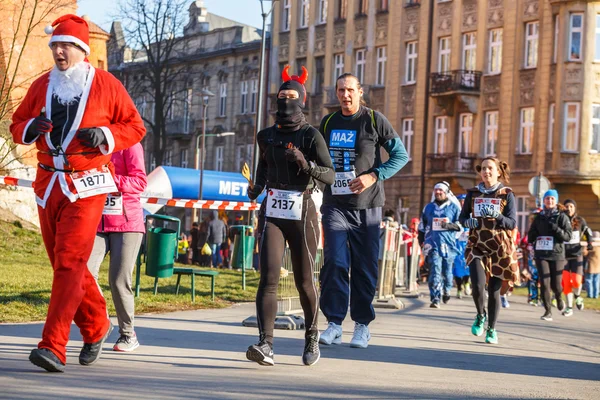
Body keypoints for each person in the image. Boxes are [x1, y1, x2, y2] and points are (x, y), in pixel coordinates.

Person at [10, 14, 145, 372]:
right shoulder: (42, 85)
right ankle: (96, 325)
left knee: (71, 260)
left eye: (66, 46)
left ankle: (53, 345)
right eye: (55, 45)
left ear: (83, 51)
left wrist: (107, 136)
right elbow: (16, 122)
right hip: (48, 182)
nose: (59, 52)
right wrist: (29, 128)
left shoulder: (106, 84)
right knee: (61, 262)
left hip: (88, 183)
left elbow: (135, 126)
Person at [245, 66, 334, 366]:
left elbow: (331, 175)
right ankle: (265, 344)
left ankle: (311, 335)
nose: (285, 101)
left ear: (302, 101)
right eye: (281, 96)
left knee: (304, 280)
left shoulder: (312, 135)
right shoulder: (266, 135)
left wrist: (305, 164)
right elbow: (263, 167)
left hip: (303, 209)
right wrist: (256, 188)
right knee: (268, 277)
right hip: (273, 208)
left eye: (291, 97)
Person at [318, 73, 408, 349]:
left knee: (364, 267)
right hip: (335, 204)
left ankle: (361, 325)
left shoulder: (373, 120)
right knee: (334, 262)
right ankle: (334, 323)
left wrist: (373, 175)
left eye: (350, 90)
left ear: (360, 92)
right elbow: (318, 160)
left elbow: (400, 156)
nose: (345, 95)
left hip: (367, 207)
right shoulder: (329, 122)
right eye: (340, 90)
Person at [87, 143, 147, 352]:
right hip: (97, 221)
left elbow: (140, 182)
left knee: (119, 280)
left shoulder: (130, 145)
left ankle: (128, 334)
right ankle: (101, 322)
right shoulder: (92, 144)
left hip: (127, 223)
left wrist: (111, 181)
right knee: (84, 273)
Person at [459, 158, 519, 344]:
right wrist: (467, 222)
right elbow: (462, 218)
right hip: (477, 243)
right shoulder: (473, 193)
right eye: (483, 168)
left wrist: (498, 216)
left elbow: (512, 223)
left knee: (493, 291)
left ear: (498, 172)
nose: (486, 171)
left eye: (490, 168)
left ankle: (492, 329)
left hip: (499, 247)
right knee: (477, 286)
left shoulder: (506, 194)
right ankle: (480, 315)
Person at [527, 189, 572, 321]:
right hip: (541, 254)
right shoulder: (539, 217)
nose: (549, 201)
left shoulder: (561, 217)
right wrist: (533, 236)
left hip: (557, 254)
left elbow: (568, 236)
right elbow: (531, 235)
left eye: (552, 199)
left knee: (556, 284)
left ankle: (558, 297)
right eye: (547, 199)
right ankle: (547, 311)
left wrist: (556, 228)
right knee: (545, 283)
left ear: (556, 201)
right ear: (544, 201)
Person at [418, 182, 461, 308]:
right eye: (436, 190)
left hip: (449, 245)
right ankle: (435, 298)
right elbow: (422, 226)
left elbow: (461, 226)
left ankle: (447, 290)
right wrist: (421, 241)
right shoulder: (428, 208)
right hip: (433, 244)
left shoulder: (454, 207)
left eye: (440, 190)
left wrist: (448, 225)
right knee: (435, 271)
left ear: (446, 192)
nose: (438, 192)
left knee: (447, 272)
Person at [561, 199, 592, 316]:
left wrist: (589, 243)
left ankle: (578, 296)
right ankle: (569, 307)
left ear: (575, 208)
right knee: (566, 283)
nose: (569, 208)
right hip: (563, 255)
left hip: (576, 254)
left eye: (571, 206)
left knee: (576, 281)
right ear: (564, 208)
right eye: (567, 206)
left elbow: (588, 232)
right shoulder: (560, 220)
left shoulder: (580, 220)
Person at [453, 194, 471, 299]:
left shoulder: (471, 213)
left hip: (467, 244)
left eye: (464, 201)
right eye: (460, 201)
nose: (462, 203)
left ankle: (467, 283)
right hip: (457, 244)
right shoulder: (455, 212)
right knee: (457, 267)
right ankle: (459, 287)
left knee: (467, 265)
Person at [585, 231, 600, 298]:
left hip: (590, 266)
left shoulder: (591, 245)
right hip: (598, 267)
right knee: (596, 281)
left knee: (589, 280)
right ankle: (596, 295)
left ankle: (590, 295)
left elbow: (584, 253)